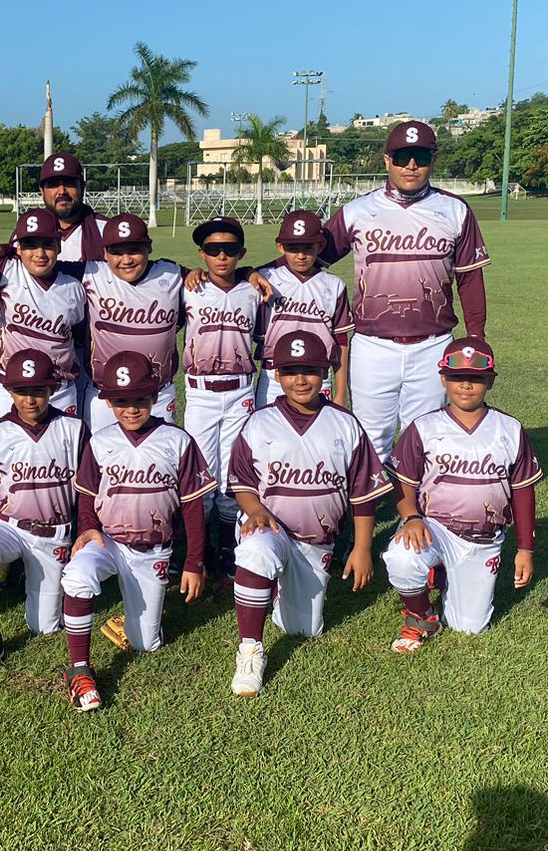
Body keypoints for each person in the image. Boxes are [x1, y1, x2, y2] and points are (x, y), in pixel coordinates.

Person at [225, 332, 389, 696]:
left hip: (318, 541)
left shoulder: (345, 424)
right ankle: (250, 649)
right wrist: (253, 510)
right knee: (256, 549)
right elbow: (241, 481)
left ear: (326, 372)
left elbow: (364, 493)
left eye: (311, 371)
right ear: (277, 375)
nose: (301, 380)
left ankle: (275, 589)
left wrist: (362, 548)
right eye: (291, 371)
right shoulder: (260, 422)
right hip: (273, 529)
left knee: (304, 629)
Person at [319, 120, 490, 460]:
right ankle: (366, 512)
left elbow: (469, 278)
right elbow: (310, 257)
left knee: (424, 437)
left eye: (420, 157)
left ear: (432, 160)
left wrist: (476, 338)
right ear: (387, 161)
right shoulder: (357, 211)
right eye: (402, 157)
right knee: (369, 440)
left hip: (433, 343)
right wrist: (258, 273)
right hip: (373, 345)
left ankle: (416, 513)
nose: (411, 165)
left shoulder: (455, 210)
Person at [59, 351, 214, 712]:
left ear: (155, 395)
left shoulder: (177, 440)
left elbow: (192, 506)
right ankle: (79, 670)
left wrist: (193, 562)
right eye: (122, 400)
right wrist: (86, 529)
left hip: (155, 549)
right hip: (109, 541)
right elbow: (85, 496)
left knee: (146, 643)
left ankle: (132, 620)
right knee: (78, 575)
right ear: (109, 402)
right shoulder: (99, 442)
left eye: (140, 399)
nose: (131, 408)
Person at [383, 338, 542, 653]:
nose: (465, 385)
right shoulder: (424, 426)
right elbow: (403, 483)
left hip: (484, 538)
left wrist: (526, 549)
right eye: (456, 377)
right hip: (435, 528)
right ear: (443, 379)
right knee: (401, 557)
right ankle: (422, 617)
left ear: (490, 381)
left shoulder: (509, 429)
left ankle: (441, 575)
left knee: (469, 627)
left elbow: (523, 490)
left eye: (476, 378)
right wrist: (411, 517)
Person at [0, 350, 90, 676]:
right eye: (22, 391)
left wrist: (83, 532)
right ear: (9, 390)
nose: (30, 399)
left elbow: (86, 491)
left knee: (44, 626)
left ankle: (26, 575)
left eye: (38, 390)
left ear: (52, 389)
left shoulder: (73, 428)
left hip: (54, 533)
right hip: (9, 526)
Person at [179, 217, 264, 587]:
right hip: (200, 391)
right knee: (202, 470)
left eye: (230, 250)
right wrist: (190, 271)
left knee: (233, 469)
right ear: (202, 254)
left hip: (241, 388)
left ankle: (228, 546)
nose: (222, 256)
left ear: (242, 254)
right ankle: (200, 548)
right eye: (213, 250)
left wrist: (252, 273)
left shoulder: (253, 290)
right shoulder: (189, 289)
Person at [78, 213, 186, 434]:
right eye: (116, 252)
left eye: (134, 250)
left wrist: (248, 273)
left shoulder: (173, 274)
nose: (126, 260)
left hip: (157, 394)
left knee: (158, 463)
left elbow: (218, 278)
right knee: (101, 459)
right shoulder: (91, 273)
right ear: (104, 252)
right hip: (103, 395)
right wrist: (6, 253)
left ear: (149, 247)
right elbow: (39, 266)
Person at [0, 207, 89, 420]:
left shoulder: (74, 286)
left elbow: (79, 333)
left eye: (48, 245)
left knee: (64, 451)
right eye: (30, 245)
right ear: (18, 248)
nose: (40, 254)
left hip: (60, 390)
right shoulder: (3, 270)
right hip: (11, 389)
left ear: (60, 246)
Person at [254, 209, 352, 408]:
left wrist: (340, 394)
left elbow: (340, 341)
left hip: (318, 376)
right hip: (273, 375)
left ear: (320, 246)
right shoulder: (266, 278)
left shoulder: (334, 285)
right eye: (293, 247)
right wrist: (249, 273)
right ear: (280, 247)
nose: (300, 255)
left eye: (308, 247)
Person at [35, 151, 108, 263]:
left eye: (69, 183)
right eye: (53, 185)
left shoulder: (106, 230)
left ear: (82, 187)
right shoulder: (28, 231)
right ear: (42, 190)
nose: (62, 191)